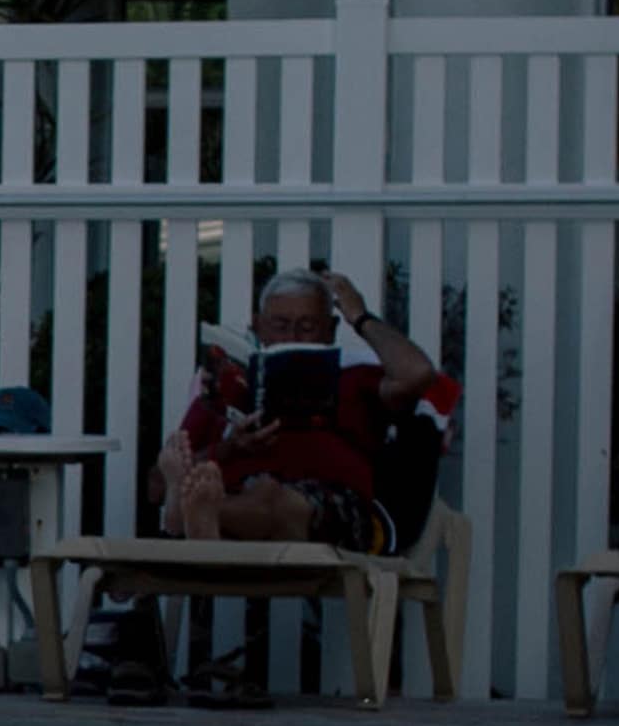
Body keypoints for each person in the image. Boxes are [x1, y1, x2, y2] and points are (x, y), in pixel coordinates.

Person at [102, 262, 464, 701]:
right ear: (258, 327)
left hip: (335, 506)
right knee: (227, 484)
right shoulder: (228, 386)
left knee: (270, 495)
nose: (294, 336)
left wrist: (361, 317)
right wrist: (231, 449)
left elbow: (419, 376)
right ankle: (203, 514)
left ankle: (200, 520)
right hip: (237, 484)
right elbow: (156, 487)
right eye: (281, 325)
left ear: (330, 330)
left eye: (308, 327)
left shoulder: (358, 379)